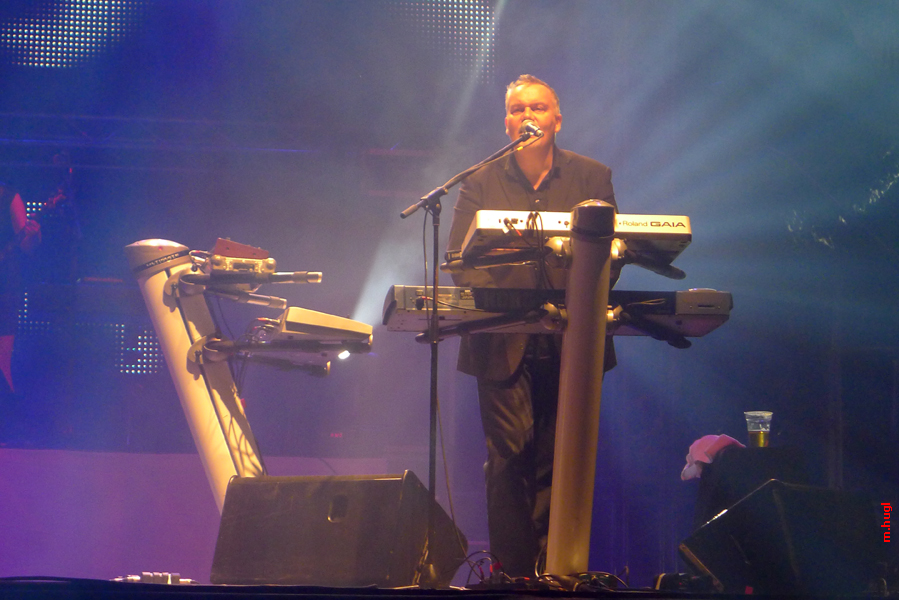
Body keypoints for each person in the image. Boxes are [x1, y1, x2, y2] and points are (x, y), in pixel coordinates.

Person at [446, 75, 617, 577]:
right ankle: (513, 573)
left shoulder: (592, 176)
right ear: (507, 122)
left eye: (538, 108)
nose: (528, 116)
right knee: (508, 455)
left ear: (557, 119)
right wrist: (519, 295)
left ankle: (555, 571)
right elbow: (459, 261)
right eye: (518, 109)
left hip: (572, 338)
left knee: (561, 457)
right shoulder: (480, 181)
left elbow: (612, 256)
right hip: (503, 339)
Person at [0, 181, 41, 400]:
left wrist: (33, 235)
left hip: (4, 289)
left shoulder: (8, 196)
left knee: (2, 363)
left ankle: (7, 411)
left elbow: (26, 246)